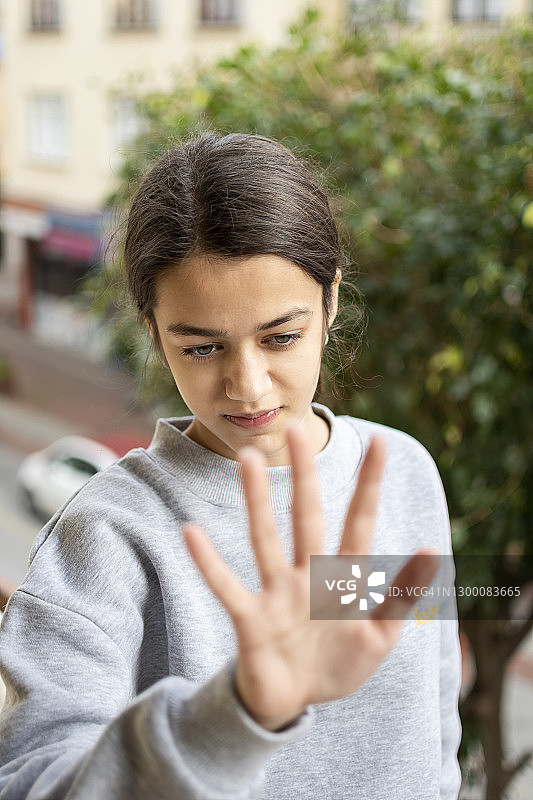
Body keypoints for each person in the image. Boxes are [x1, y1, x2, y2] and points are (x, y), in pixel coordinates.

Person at [0, 132, 461, 799]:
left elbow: (432, 723)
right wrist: (236, 713)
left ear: (330, 303)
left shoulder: (401, 473)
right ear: (154, 333)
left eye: (280, 337)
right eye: (202, 348)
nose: (247, 386)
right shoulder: (106, 534)